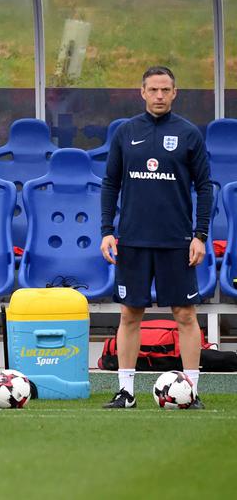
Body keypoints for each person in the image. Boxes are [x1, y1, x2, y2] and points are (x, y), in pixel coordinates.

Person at [100, 65, 211, 409]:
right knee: (129, 315)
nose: (160, 96)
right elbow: (110, 183)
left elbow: (205, 187)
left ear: (175, 93)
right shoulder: (126, 132)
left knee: (185, 315)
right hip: (132, 240)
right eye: (153, 90)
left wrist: (200, 235)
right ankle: (126, 392)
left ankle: (190, 391)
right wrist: (107, 231)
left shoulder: (189, 133)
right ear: (142, 92)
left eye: (166, 90)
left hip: (176, 241)